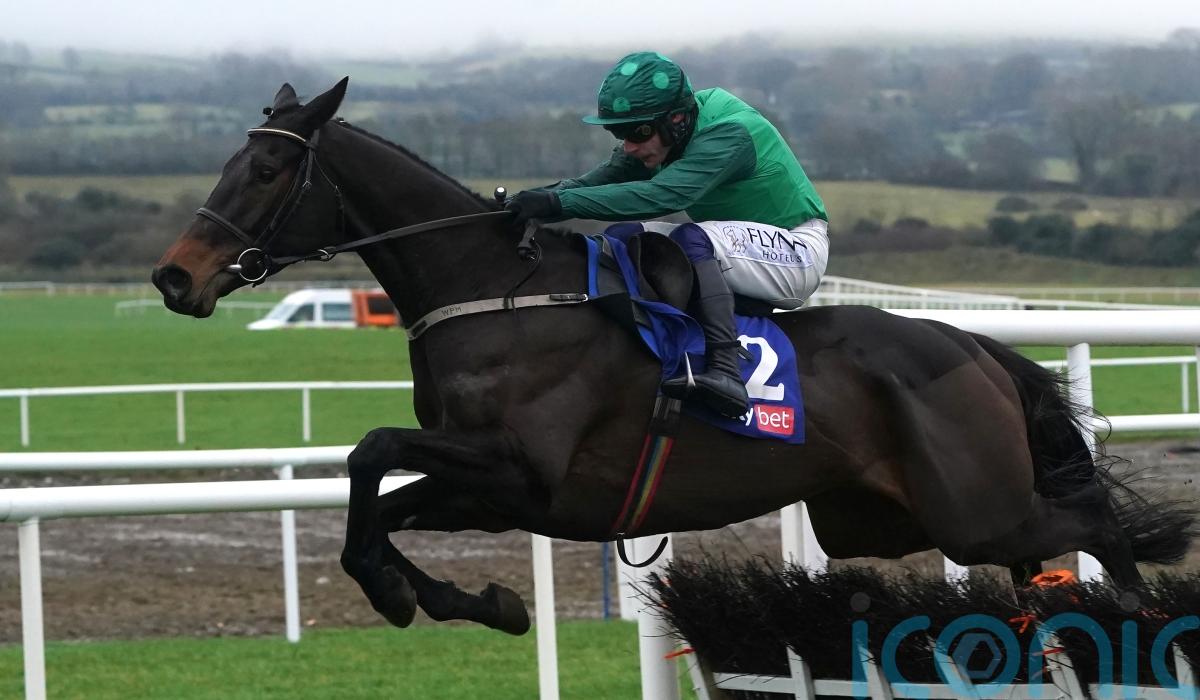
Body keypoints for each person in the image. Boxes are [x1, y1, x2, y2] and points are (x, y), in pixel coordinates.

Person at [506, 51, 829, 419]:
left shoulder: (730, 133)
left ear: (676, 119)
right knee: (624, 239)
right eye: (620, 133)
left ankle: (727, 372)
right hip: (739, 251)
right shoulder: (672, 130)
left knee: (692, 239)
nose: (629, 146)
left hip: (797, 252)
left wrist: (557, 203)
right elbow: (586, 186)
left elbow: (664, 195)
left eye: (638, 132)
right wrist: (522, 205)